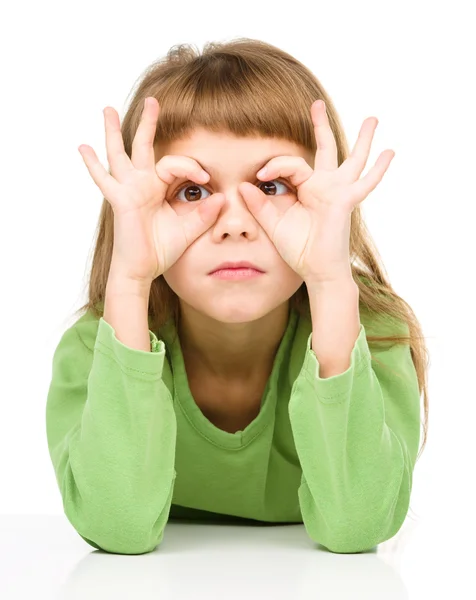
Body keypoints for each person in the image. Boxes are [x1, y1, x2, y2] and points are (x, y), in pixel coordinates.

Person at [45, 38, 429, 556]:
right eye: (192, 191)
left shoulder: (377, 337)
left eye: (270, 187)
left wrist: (331, 280)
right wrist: (129, 282)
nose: (234, 226)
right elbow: (118, 529)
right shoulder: (95, 351)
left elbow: (358, 526)